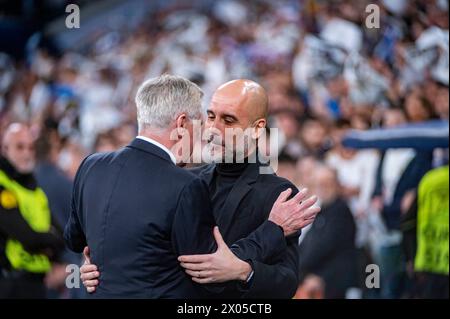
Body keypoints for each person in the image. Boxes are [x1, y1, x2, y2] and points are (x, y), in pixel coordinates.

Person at [67, 75, 319, 298]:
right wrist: (102, 265)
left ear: (257, 129)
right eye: (210, 116)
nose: (213, 129)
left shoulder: (278, 193)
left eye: (228, 120)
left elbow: (286, 283)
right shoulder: (184, 180)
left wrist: (246, 272)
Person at [0, 123, 64, 298]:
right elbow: (26, 235)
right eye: (19, 147)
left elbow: (60, 234)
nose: (27, 153)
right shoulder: (2, 184)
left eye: (30, 147)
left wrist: (46, 241)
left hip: (38, 282)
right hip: (11, 282)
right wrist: (47, 240)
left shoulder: (34, 188)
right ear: (5, 149)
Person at [298, 165, 358, 299]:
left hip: (333, 282)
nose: (323, 187)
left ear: (337, 185)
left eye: (328, 183)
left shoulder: (340, 211)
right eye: (319, 184)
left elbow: (322, 248)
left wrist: (298, 271)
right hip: (316, 276)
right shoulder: (323, 210)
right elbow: (307, 245)